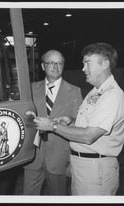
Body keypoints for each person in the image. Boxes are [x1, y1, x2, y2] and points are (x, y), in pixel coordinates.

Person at [34, 43, 124, 195]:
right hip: (83, 167)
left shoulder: (112, 96)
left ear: (105, 64)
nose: (83, 68)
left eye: (87, 63)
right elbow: (88, 123)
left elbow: (88, 136)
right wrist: (72, 121)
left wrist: (52, 126)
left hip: (96, 170)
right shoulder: (95, 92)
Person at [23, 50, 83, 195]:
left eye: (59, 63)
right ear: (43, 66)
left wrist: (71, 160)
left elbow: (79, 125)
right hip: (32, 158)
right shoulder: (30, 89)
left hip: (59, 160)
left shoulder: (74, 91)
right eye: (51, 62)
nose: (55, 66)